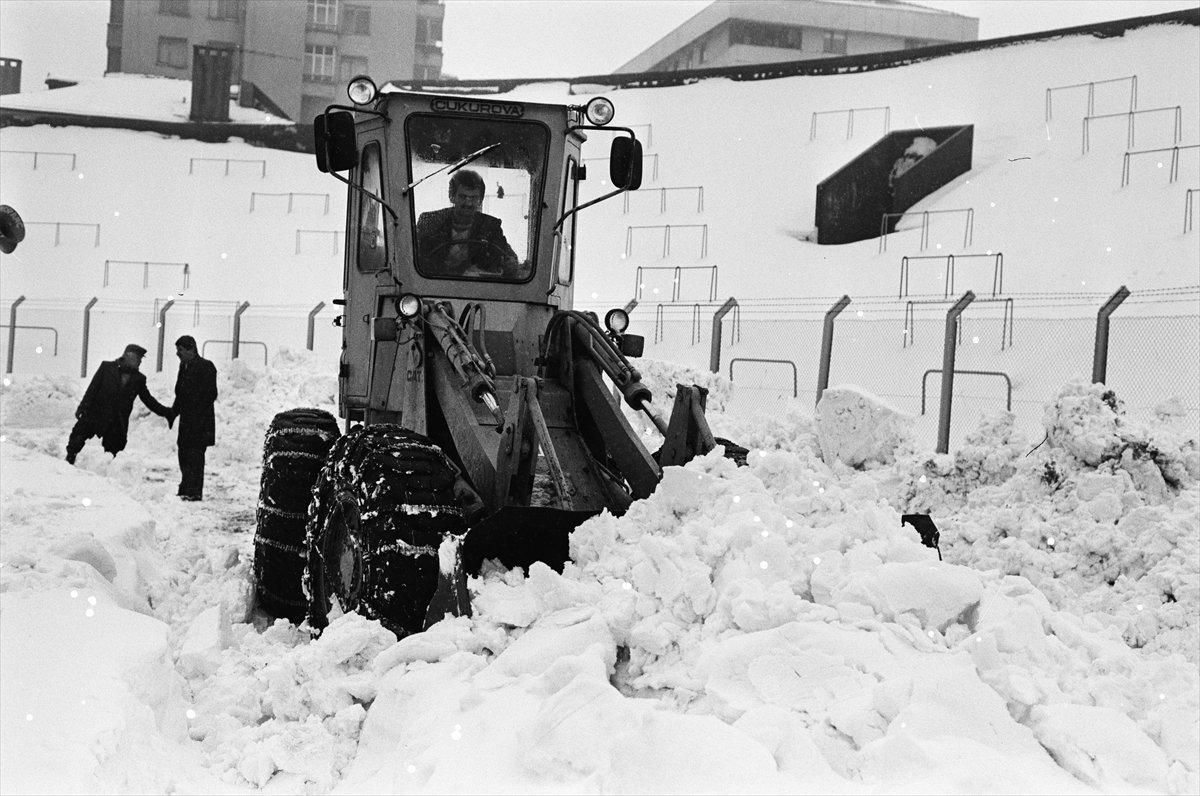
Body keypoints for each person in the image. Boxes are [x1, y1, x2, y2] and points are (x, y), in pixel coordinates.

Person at [66, 344, 173, 464]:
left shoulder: (139, 379)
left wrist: (167, 412)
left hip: (117, 421)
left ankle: (109, 476)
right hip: (95, 413)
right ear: (129, 356)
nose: (140, 362)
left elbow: (149, 400)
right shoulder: (106, 368)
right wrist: (82, 407)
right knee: (77, 438)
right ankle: (69, 461)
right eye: (138, 358)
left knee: (113, 454)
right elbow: (93, 389)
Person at [416, 168, 520, 277]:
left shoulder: (490, 226)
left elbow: (507, 256)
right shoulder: (430, 222)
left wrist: (511, 263)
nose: (468, 203)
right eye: (463, 197)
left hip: (476, 290)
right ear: (452, 197)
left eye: (474, 198)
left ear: (480, 200)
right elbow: (414, 258)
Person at [169, 335, 218, 501]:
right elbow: (180, 394)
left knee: (195, 457)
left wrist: (191, 406)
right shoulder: (184, 367)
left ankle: (194, 492)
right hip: (186, 422)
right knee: (183, 454)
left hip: (200, 423)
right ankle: (185, 487)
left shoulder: (206, 366)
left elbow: (211, 394)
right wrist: (173, 413)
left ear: (191, 349)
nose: (178, 354)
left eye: (180, 350)